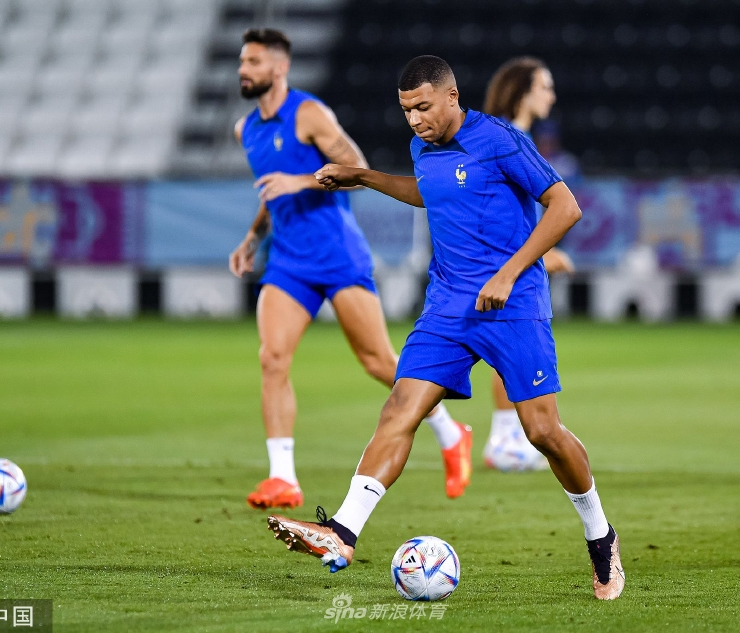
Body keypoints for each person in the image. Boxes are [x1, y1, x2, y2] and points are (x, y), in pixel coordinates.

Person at [265, 55, 624, 600]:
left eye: (423, 107)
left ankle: (601, 535)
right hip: (448, 308)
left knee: (542, 432)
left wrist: (508, 272)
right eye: (407, 110)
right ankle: (342, 531)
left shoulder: (500, 139)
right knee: (400, 408)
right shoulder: (423, 147)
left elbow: (565, 206)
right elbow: (429, 191)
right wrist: (364, 177)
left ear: (453, 97)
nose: (415, 120)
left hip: (513, 305)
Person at [229, 30, 472, 510]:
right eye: (242, 61)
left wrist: (300, 180)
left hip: (339, 255)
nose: (243, 70)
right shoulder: (246, 129)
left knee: (378, 361)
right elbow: (271, 191)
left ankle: (450, 432)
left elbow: (356, 170)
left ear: (279, 67)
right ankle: (282, 478)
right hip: (289, 262)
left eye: (253, 61)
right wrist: (253, 237)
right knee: (272, 358)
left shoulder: (308, 114)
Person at [481, 57, 576, 471]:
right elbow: (494, 211)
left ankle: (508, 437)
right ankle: (503, 440)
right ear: (522, 92)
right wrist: (532, 256)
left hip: (506, 261)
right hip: (498, 264)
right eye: (544, 86)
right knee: (509, 345)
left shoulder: (509, 137)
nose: (551, 95)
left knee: (508, 347)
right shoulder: (504, 140)